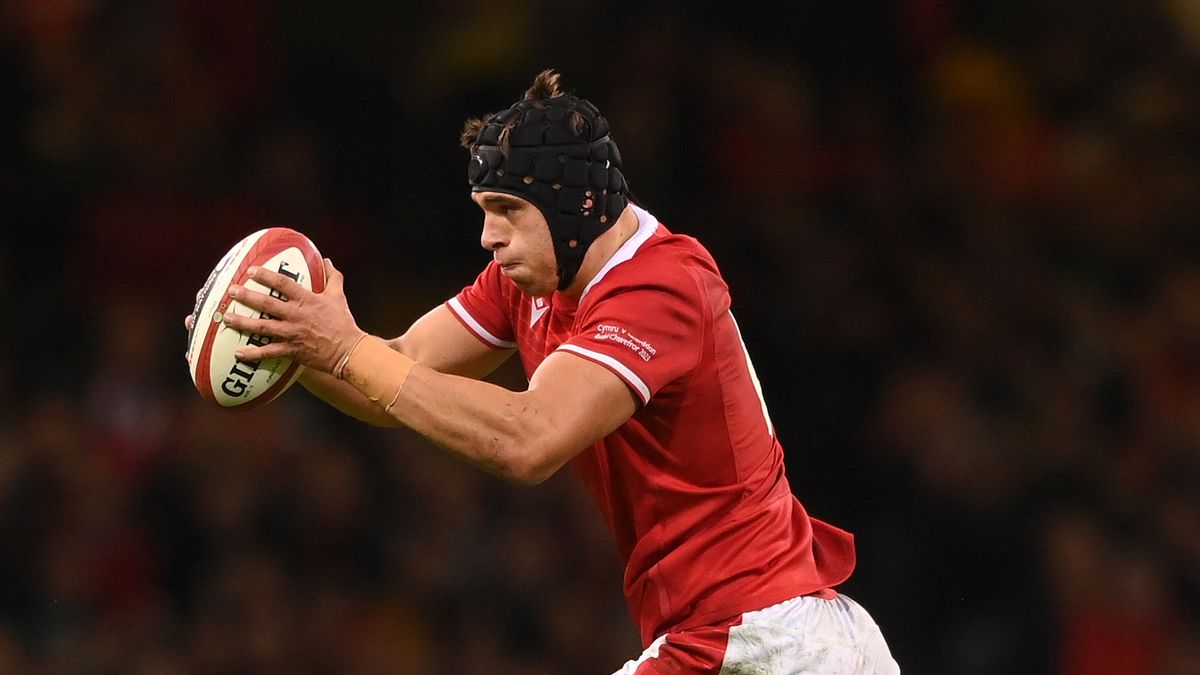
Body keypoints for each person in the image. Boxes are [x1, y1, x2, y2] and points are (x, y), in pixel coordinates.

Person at [191, 69, 900, 673]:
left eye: (506, 211)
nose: (487, 235)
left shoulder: (661, 286)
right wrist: (291, 342)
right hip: (733, 637)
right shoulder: (529, 281)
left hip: (765, 640)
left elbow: (529, 439)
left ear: (576, 207)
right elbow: (396, 373)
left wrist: (344, 348)